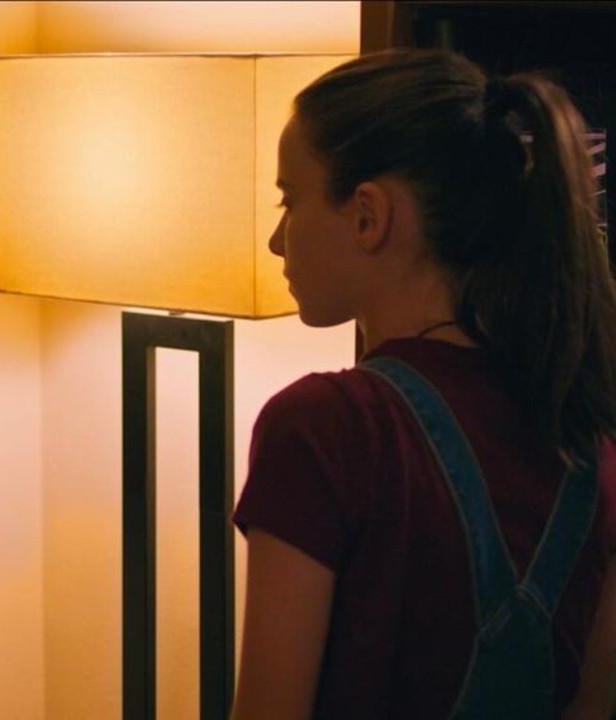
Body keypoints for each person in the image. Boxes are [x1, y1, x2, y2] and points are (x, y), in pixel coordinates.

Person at [230, 49, 616, 719]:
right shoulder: (591, 437)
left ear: (368, 216)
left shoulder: (324, 426)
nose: (276, 240)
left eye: (290, 201)